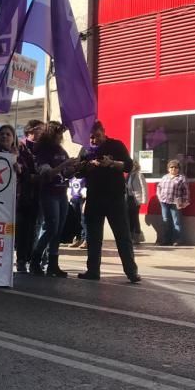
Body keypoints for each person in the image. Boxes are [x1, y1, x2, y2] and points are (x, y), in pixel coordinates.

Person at [76, 121, 140, 283]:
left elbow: (128, 166)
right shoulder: (85, 149)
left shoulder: (116, 145)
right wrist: (89, 166)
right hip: (94, 197)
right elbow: (78, 172)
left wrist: (111, 163)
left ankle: (131, 272)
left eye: (97, 136)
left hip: (115, 198)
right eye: (91, 138)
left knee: (122, 236)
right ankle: (92, 270)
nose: (94, 140)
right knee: (93, 237)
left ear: (104, 133)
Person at [30, 121, 77, 277]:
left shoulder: (61, 150)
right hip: (49, 193)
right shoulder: (44, 151)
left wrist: (74, 168)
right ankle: (35, 259)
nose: (60, 137)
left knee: (58, 230)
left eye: (61, 134)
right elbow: (47, 174)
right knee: (52, 228)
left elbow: (66, 174)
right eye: (57, 133)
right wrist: (65, 164)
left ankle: (53, 264)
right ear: (51, 134)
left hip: (62, 193)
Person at [14, 120, 44, 273]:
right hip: (23, 194)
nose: (43, 132)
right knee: (22, 229)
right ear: (30, 131)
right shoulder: (20, 146)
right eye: (40, 130)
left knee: (34, 228)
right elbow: (22, 171)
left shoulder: (43, 148)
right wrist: (32, 176)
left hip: (39, 194)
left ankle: (33, 259)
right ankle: (21, 260)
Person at [155, 159, 189, 246]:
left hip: (175, 203)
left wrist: (184, 201)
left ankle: (177, 240)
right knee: (165, 221)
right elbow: (159, 187)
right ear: (168, 169)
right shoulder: (164, 177)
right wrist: (159, 197)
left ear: (178, 169)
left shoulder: (181, 178)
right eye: (171, 167)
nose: (173, 169)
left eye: (175, 167)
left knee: (176, 222)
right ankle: (166, 240)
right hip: (164, 202)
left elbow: (186, 191)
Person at [126, 160, 148, 245]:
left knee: (135, 218)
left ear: (136, 166)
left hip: (136, 199)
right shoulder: (128, 175)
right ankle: (130, 236)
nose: (132, 167)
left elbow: (144, 187)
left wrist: (143, 200)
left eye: (133, 165)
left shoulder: (139, 174)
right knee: (128, 218)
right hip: (128, 198)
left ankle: (137, 237)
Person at [66, 176, 87, 249]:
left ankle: (86, 240)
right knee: (76, 220)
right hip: (74, 198)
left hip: (83, 199)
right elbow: (69, 185)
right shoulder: (72, 174)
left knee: (83, 220)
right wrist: (69, 196)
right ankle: (78, 238)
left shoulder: (85, 174)